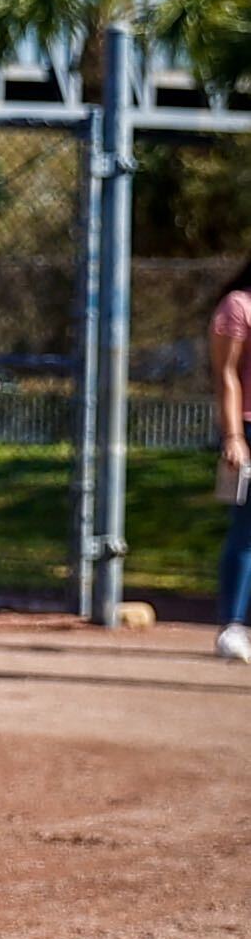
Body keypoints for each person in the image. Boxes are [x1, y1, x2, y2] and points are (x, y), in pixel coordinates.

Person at [211, 256, 251, 664]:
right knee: (247, 529)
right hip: (248, 428)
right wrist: (234, 436)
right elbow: (227, 374)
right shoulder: (237, 306)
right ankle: (233, 626)